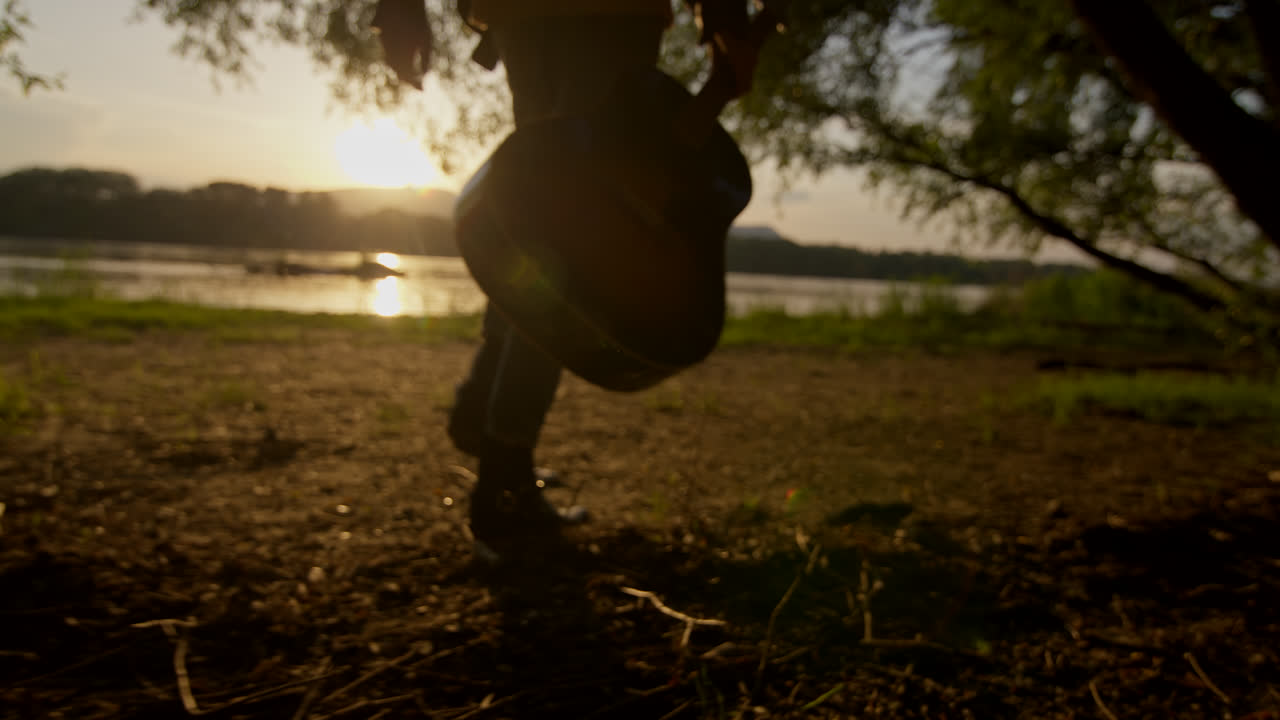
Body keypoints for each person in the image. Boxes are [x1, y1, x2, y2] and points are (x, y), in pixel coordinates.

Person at [374, 0, 760, 564]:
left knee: (544, 213)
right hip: (610, 15)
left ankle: (486, 416)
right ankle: (502, 479)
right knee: (576, 249)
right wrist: (725, 17)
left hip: (519, 15)